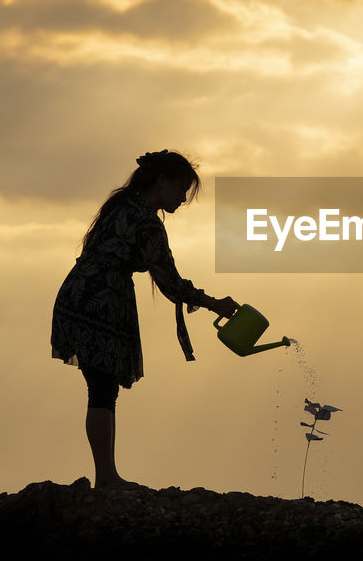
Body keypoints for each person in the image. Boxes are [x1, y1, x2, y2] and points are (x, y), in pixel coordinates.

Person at [51, 149, 239, 490]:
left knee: (101, 389)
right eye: (181, 188)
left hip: (79, 295)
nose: (183, 198)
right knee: (102, 389)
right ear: (162, 181)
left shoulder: (121, 206)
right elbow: (169, 281)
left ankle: (106, 474)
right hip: (100, 302)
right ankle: (106, 477)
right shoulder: (146, 221)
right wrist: (214, 304)